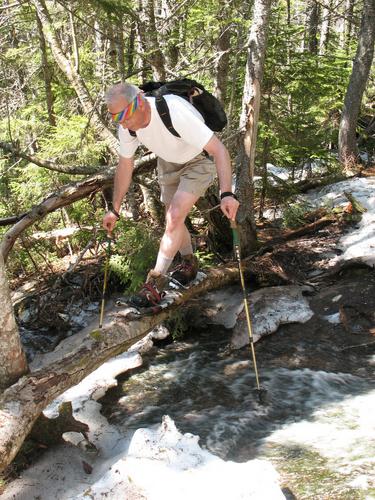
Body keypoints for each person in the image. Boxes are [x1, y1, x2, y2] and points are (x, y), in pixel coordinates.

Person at [102, 82, 239, 307]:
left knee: (174, 216)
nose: (122, 122)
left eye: (124, 115)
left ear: (140, 101)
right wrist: (114, 209)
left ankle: (155, 283)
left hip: (198, 159)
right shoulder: (128, 127)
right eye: (115, 118)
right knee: (173, 217)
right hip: (168, 160)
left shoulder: (174, 111)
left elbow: (220, 150)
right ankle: (189, 262)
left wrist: (226, 193)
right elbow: (125, 165)